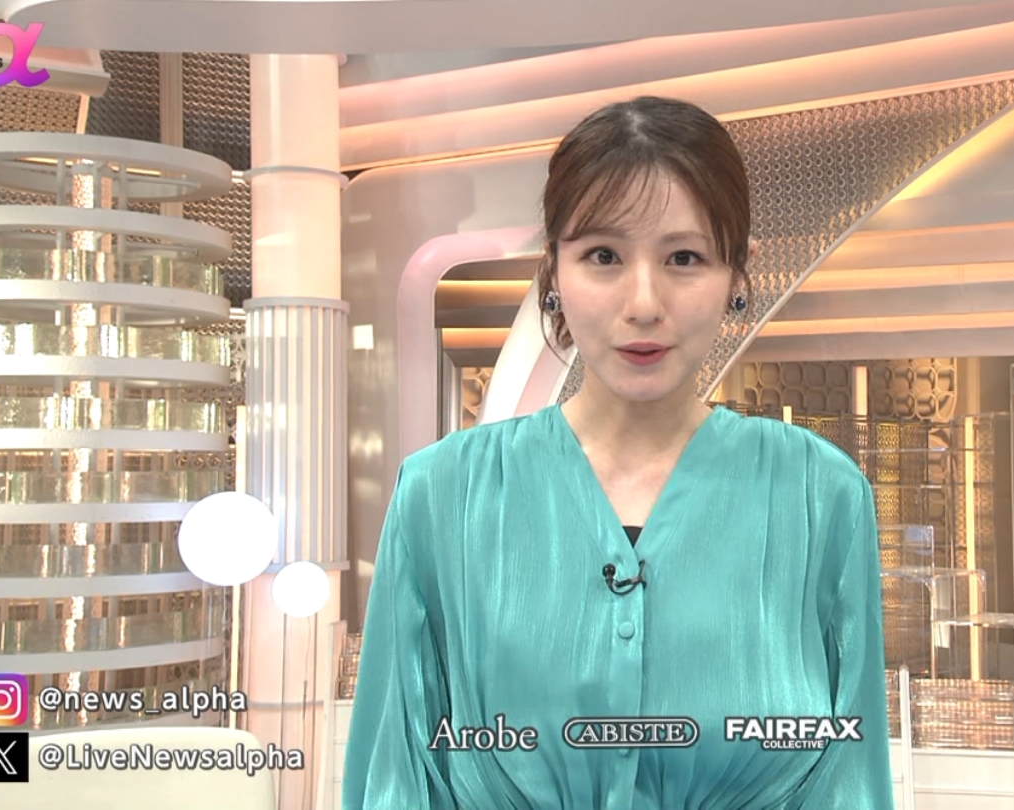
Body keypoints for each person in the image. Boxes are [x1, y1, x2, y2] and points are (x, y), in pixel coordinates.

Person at [343, 95, 894, 809]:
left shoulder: (821, 496)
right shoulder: (441, 496)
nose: (643, 303)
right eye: (603, 256)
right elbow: (393, 779)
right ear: (553, 271)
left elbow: (851, 782)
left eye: (684, 258)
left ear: (737, 273)